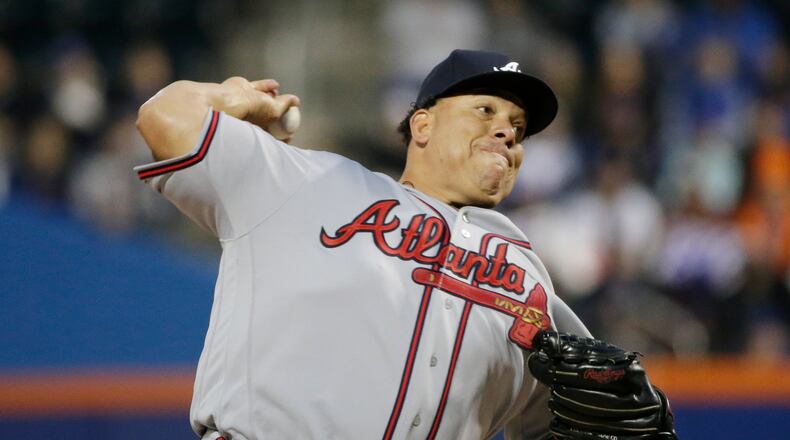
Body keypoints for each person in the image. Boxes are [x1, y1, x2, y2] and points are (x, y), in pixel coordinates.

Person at [134, 50, 633, 439]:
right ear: (422, 123)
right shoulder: (312, 181)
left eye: (519, 129)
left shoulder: (529, 282)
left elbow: (578, 416)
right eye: (486, 110)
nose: (507, 132)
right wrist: (237, 99)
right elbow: (165, 119)